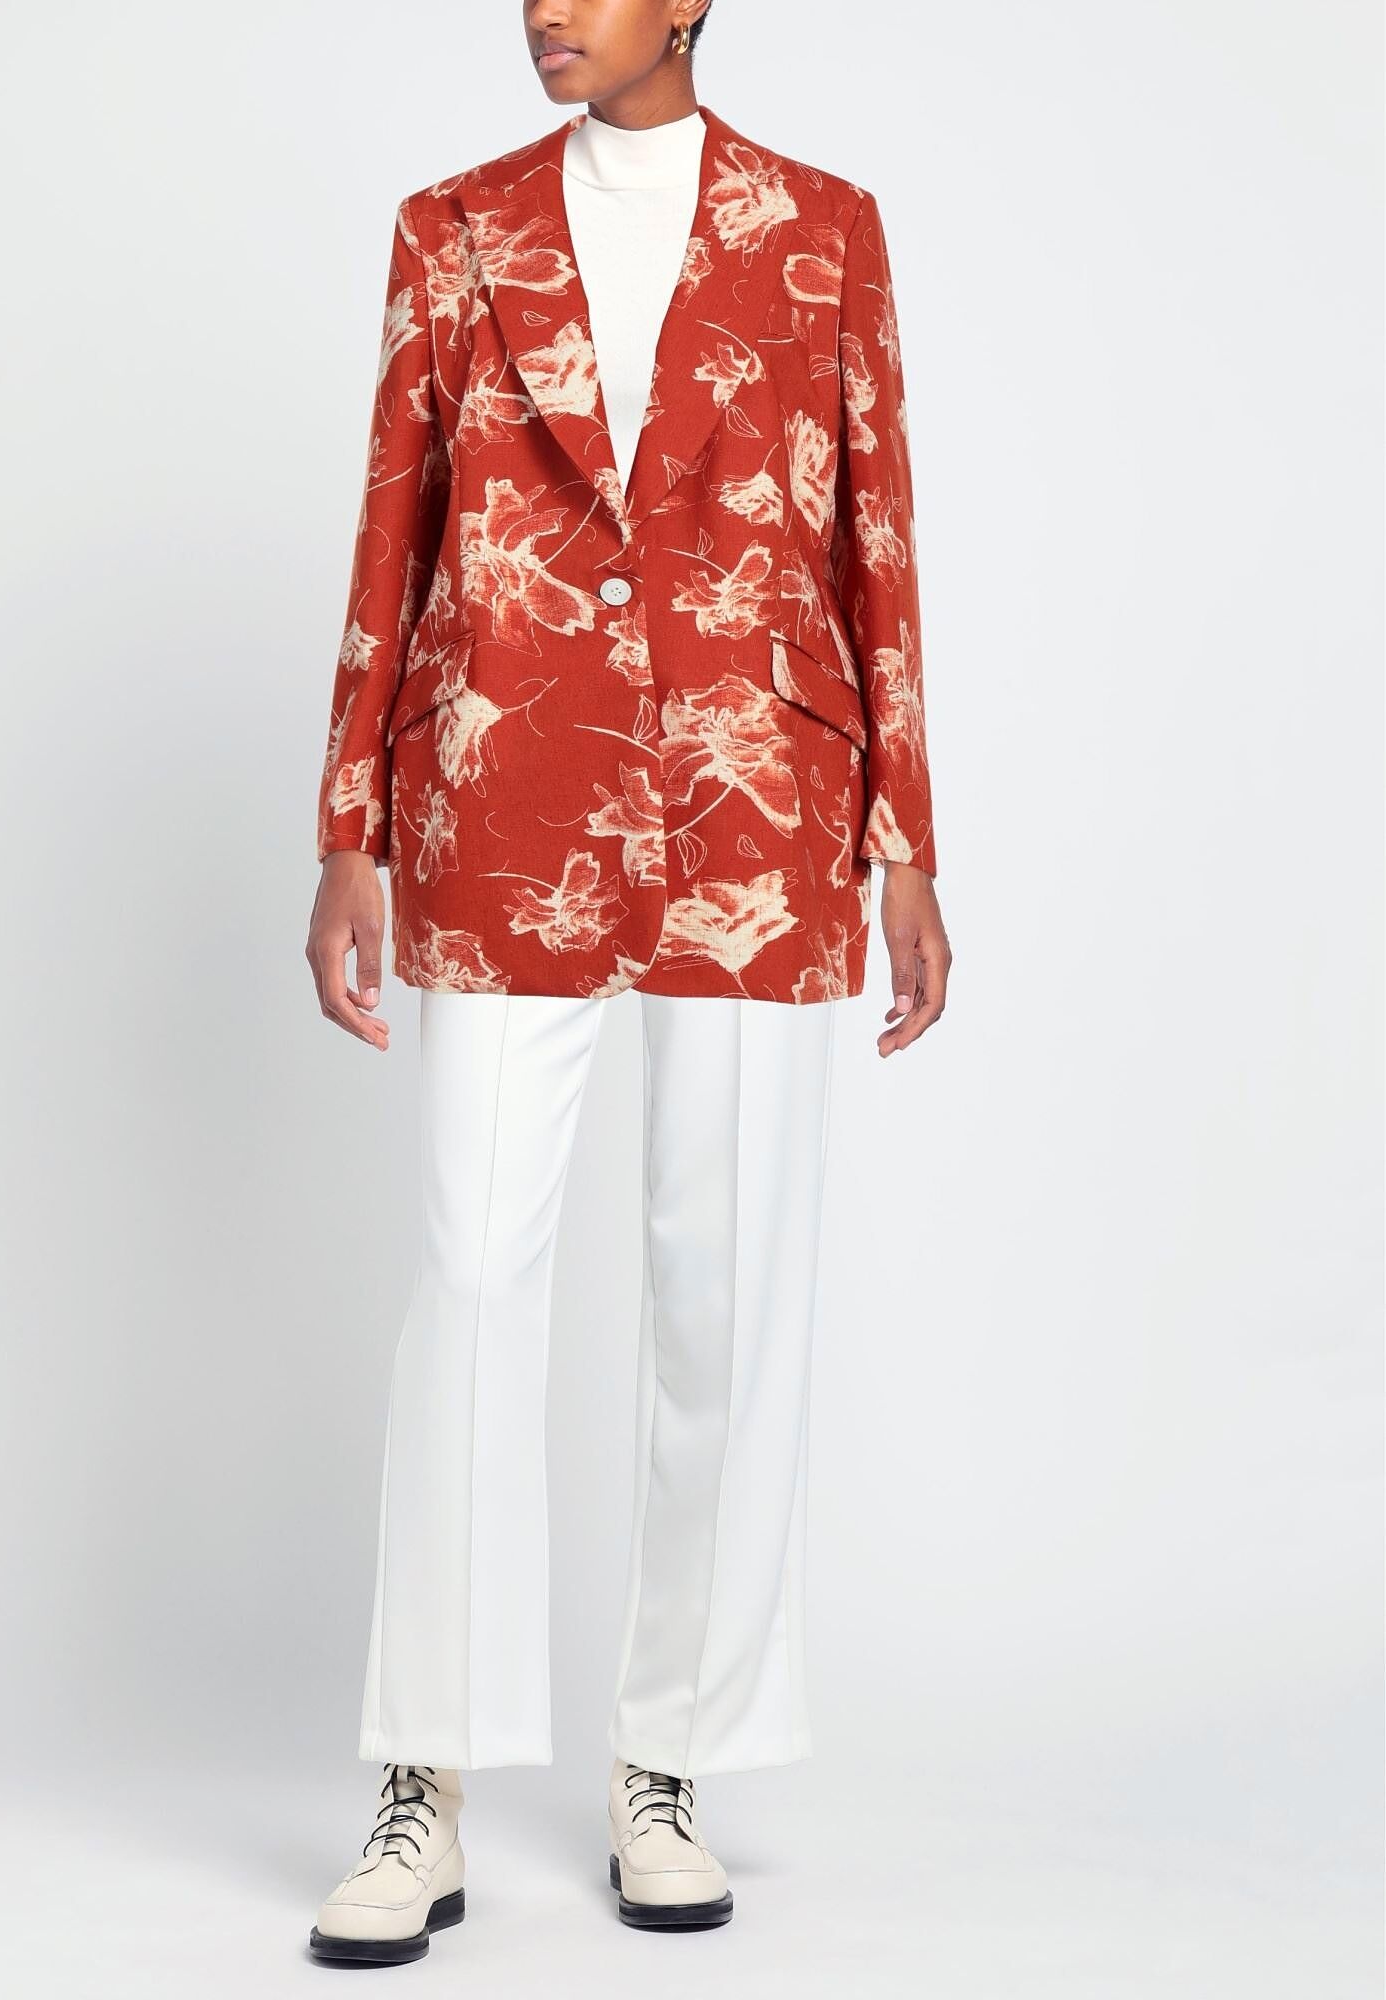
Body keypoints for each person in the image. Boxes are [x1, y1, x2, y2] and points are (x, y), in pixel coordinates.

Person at [304, 0, 950, 1966]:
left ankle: (663, 1758)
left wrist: (908, 839)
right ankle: (422, 1774)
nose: (544, 10)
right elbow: (395, 527)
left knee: (723, 1284)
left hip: (759, 803)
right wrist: (348, 823)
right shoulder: (450, 229)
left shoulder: (824, 227)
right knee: (473, 1273)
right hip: (506, 785)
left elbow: (875, 537)